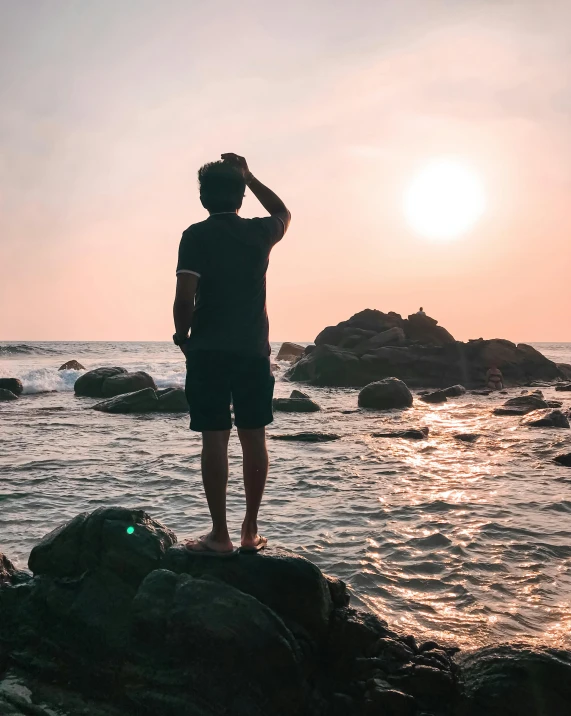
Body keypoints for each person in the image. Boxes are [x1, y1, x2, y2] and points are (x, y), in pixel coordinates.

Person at [172, 153, 291, 556]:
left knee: (214, 439)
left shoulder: (195, 235)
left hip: (208, 351)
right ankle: (250, 531)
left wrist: (182, 335)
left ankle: (218, 535)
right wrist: (250, 174)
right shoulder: (259, 233)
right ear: (241, 195)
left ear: (203, 197)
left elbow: (184, 298)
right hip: (252, 351)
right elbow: (282, 211)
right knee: (254, 437)